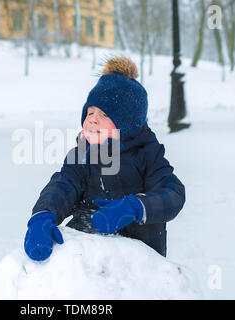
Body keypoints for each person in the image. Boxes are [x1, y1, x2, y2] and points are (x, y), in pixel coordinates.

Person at [24, 56, 186, 261]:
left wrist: (134, 207)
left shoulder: (147, 154)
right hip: (89, 252)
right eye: (90, 112)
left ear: (127, 122)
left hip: (137, 262)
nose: (92, 119)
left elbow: (173, 194)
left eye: (104, 115)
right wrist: (43, 215)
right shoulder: (83, 153)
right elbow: (64, 185)